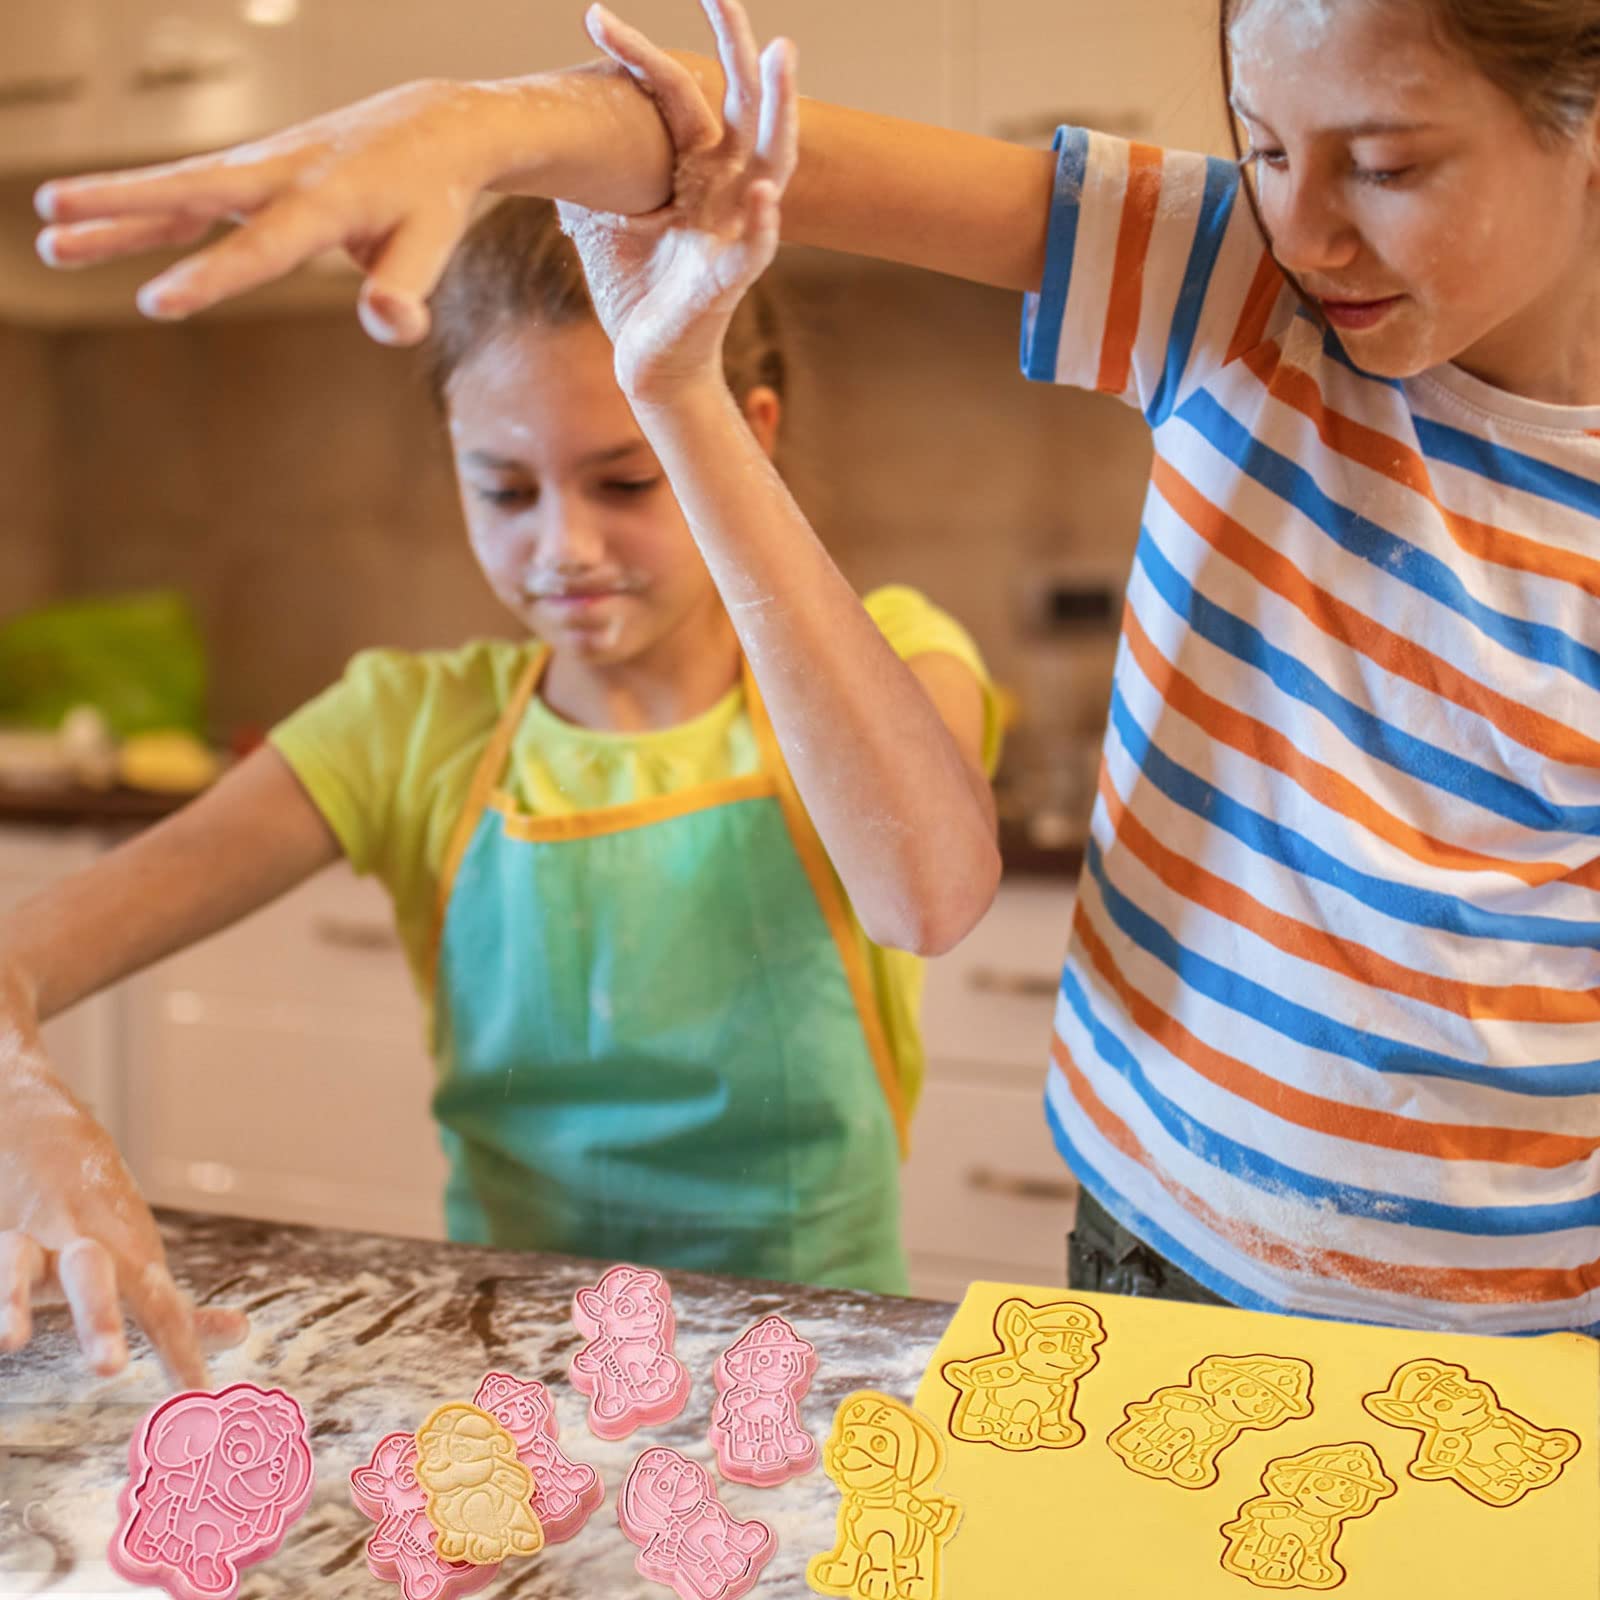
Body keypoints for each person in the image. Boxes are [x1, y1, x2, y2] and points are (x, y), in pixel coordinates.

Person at [22, 0, 1600, 1336]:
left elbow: (922, 893)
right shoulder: (1233, 286)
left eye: (1387, 164)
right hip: (1170, 1253)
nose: (1302, 223)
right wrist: (472, 126)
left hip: (1547, 1314)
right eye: (1260, 143)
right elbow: (733, 153)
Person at [0, 13, 1006, 1386]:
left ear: (742, 437)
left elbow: (932, 890)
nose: (566, 549)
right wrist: (16, 1095)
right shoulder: (411, 730)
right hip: (523, 1377)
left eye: (628, 477)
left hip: (818, 1366)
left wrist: (682, 395)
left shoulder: (883, 658)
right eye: (507, 490)